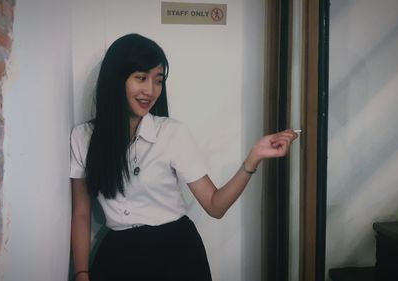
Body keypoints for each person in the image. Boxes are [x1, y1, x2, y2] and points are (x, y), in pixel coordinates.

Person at [70, 33, 298, 281]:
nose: (151, 90)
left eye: (158, 80)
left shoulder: (172, 133)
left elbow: (215, 205)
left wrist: (253, 158)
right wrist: (82, 273)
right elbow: (81, 213)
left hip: (176, 253)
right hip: (119, 255)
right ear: (116, 79)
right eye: (141, 78)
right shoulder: (83, 137)